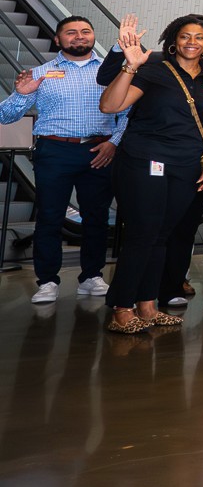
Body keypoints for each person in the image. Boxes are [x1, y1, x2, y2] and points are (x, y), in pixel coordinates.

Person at [95, 14, 203, 333]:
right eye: (185, 36)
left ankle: (147, 305)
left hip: (187, 166)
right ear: (173, 40)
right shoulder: (154, 70)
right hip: (146, 160)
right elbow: (110, 106)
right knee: (143, 232)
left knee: (162, 235)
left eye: (199, 37)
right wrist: (130, 66)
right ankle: (122, 308)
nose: (191, 42)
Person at [1, 16, 124, 303]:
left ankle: (91, 276)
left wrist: (114, 143)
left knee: (96, 217)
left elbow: (127, 113)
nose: (79, 36)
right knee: (50, 217)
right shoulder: (40, 73)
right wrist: (20, 94)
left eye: (85, 31)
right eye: (71, 32)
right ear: (58, 40)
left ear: (93, 36)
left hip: (100, 150)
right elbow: (5, 116)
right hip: (55, 151)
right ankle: (47, 281)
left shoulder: (112, 71)